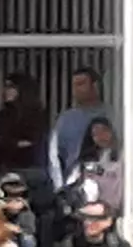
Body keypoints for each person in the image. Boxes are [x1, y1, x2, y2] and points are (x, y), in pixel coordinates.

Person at [45, 67, 110, 196]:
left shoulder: (112, 115)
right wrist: (59, 188)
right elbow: (54, 156)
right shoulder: (65, 119)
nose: (76, 90)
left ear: (95, 86)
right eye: (74, 85)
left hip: (108, 183)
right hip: (73, 185)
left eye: (81, 84)